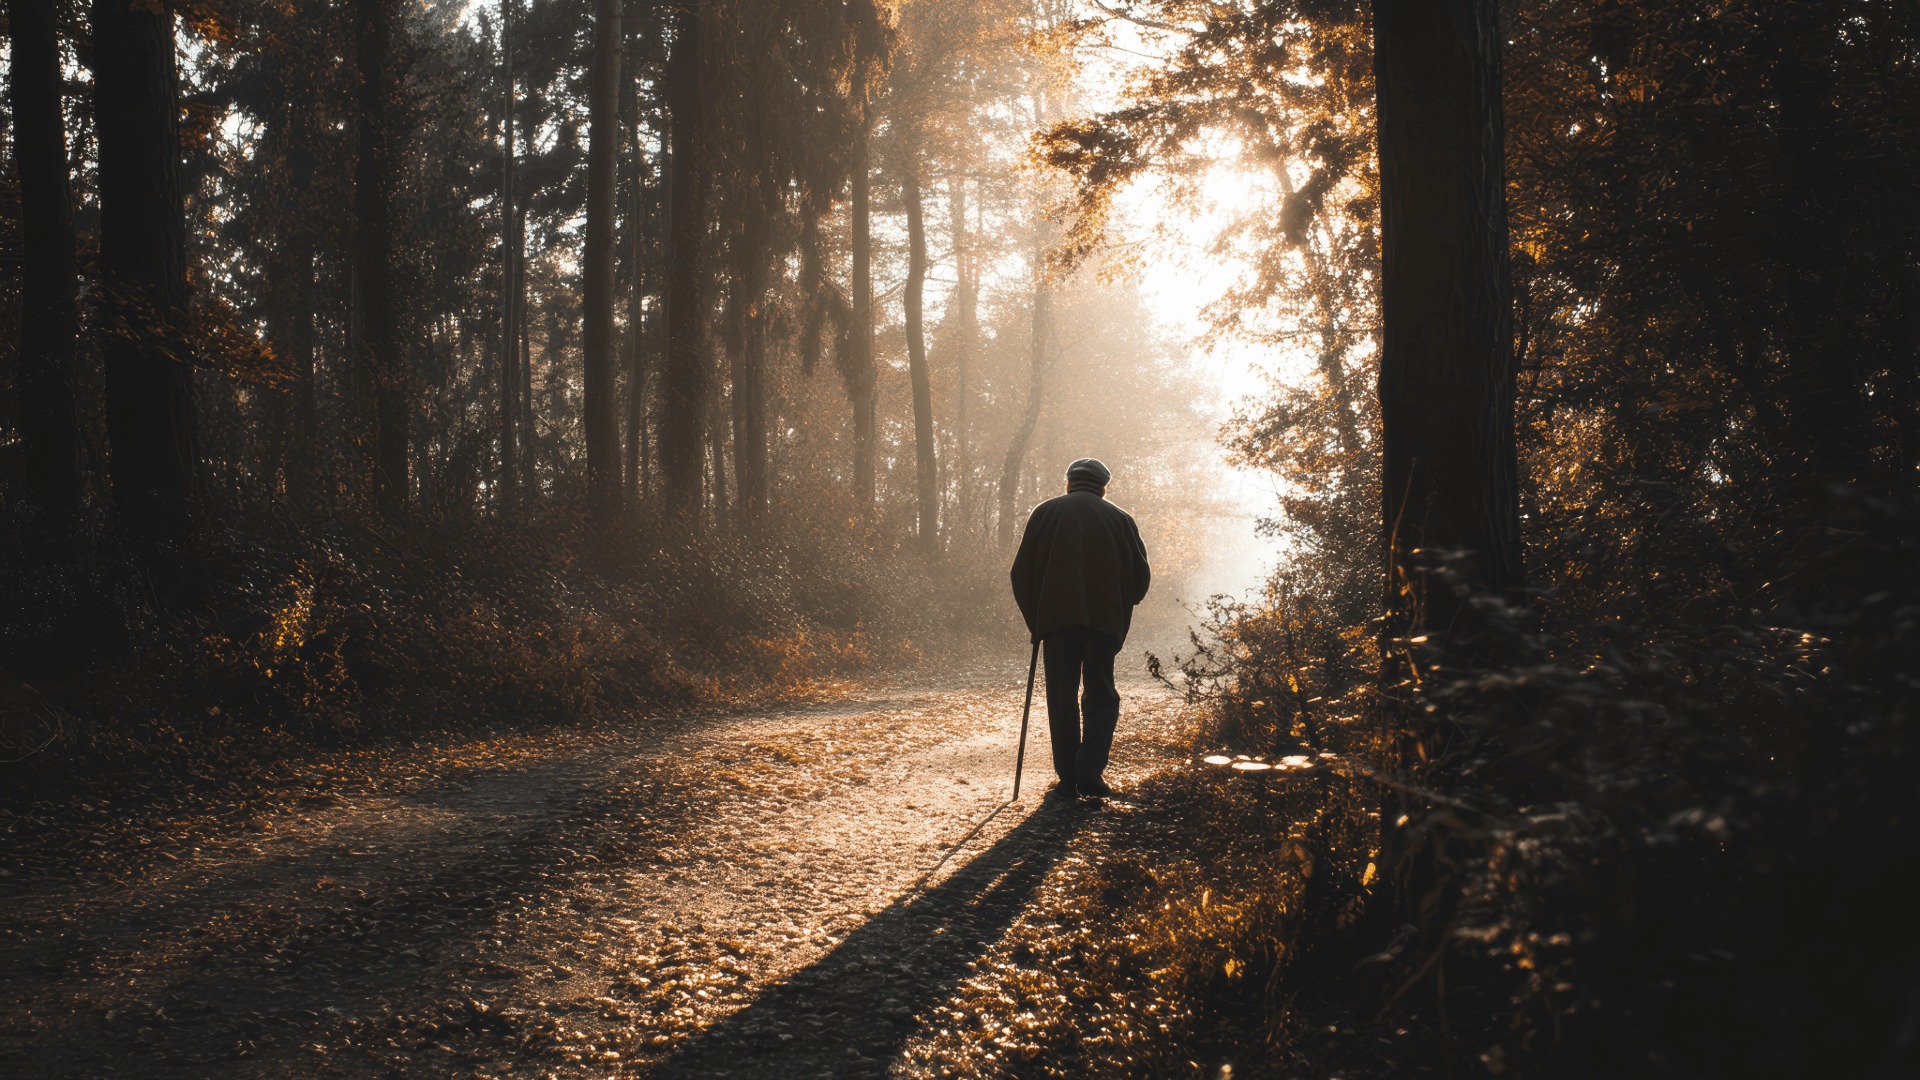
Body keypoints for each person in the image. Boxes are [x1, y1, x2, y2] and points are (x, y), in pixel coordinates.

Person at [1009, 458, 1151, 800]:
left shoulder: (1045, 513)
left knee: (1062, 697)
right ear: (1103, 487)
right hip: (1104, 625)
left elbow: (1020, 574)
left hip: (1058, 624)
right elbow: (1140, 579)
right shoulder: (1120, 519)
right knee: (1101, 695)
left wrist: (1037, 621)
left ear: (1068, 483)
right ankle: (1090, 771)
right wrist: (1119, 605)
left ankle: (1068, 777)